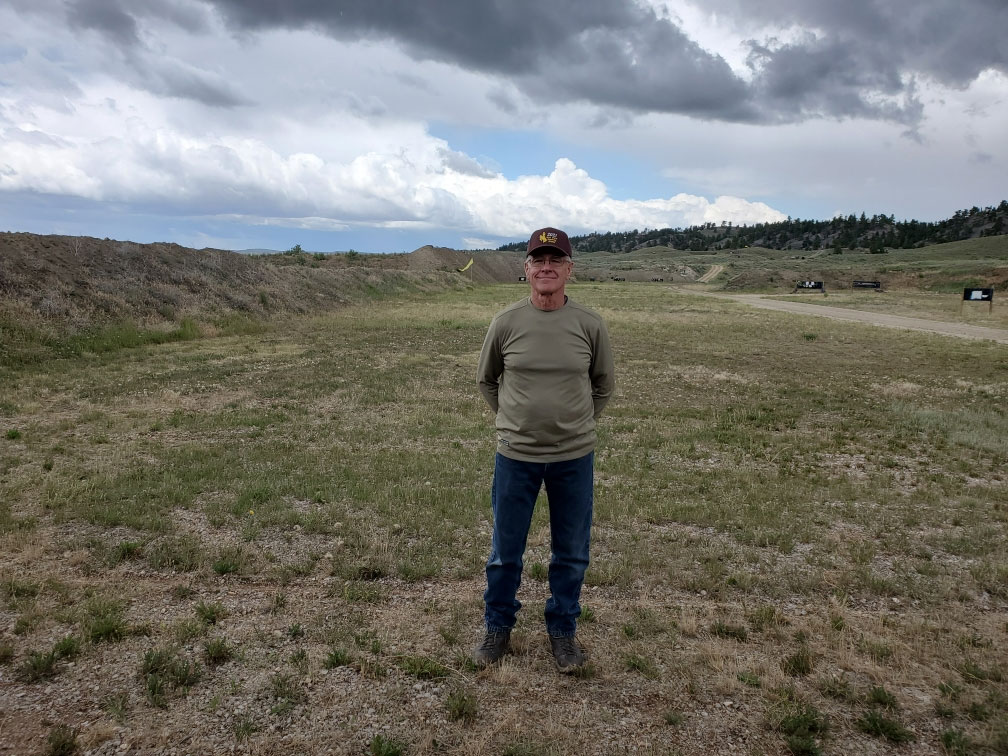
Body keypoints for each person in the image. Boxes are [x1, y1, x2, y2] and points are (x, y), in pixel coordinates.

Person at [473, 226, 615, 673]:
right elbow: (486, 380)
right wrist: (514, 422)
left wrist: (574, 425)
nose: (546, 267)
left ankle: (563, 631)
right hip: (516, 456)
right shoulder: (506, 322)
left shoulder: (590, 324)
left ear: (570, 269)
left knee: (571, 551)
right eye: (539, 260)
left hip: (574, 457)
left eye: (556, 261)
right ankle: (497, 626)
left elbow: (603, 385)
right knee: (505, 551)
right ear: (527, 269)